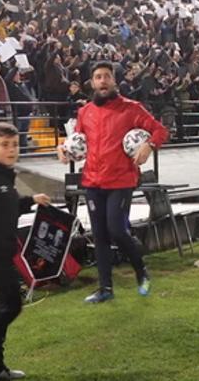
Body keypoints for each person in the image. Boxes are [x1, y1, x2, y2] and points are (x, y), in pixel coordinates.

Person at [57, 61, 168, 304]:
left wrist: (149, 145)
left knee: (117, 230)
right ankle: (105, 289)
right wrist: (63, 149)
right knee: (99, 235)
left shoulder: (132, 109)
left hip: (121, 180)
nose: (103, 80)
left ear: (114, 81)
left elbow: (161, 131)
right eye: (98, 77)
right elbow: (77, 142)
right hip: (93, 182)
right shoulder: (84, 112)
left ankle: (141, 271)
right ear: (92, 82)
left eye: (107, 76)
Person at [0, 123, 51, 379]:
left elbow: (7, 204)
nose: (11, 149)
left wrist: (30, 201)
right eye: (4, 144)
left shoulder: (5, 176)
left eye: (15, 144)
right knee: (11, 306)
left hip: (3, 252)